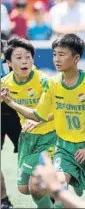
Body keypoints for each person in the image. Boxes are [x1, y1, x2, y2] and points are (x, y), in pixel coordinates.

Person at [1, 34, 85, 208]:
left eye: (62, 55)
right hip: (64, 148)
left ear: (76, 59)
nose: (56, 59)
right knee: (50, 187)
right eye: (54, 54)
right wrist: (11, 103)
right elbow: (39, 114)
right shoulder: (53, 84)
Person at [1, 37, 57, 208]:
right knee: (24, 188)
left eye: (27, 57)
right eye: (19, 58)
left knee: (36, 182)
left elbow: (57, 110)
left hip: (46, 134)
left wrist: (38, 121)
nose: (24, 61)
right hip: (27, 136)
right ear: (9, 63)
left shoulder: (43, 80)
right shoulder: (6, 83)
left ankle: (58, 197)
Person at [1, 40, 21, 209]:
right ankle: (3, 200)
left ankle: (53, 197)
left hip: (19, 112)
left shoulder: (11, 47)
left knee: (39, 154)